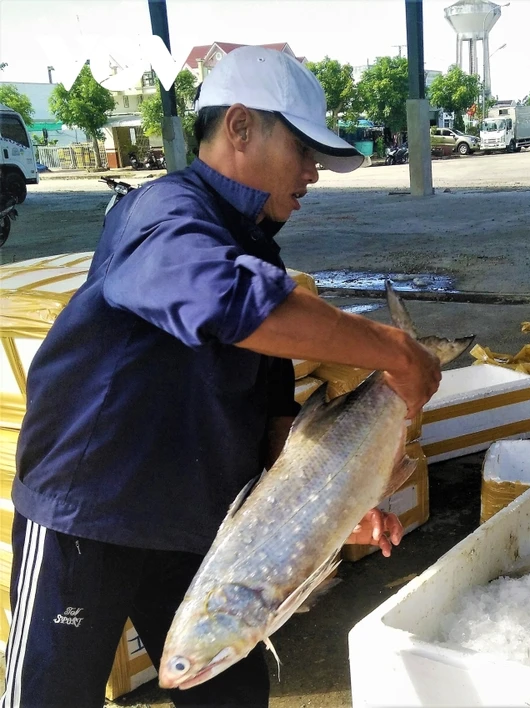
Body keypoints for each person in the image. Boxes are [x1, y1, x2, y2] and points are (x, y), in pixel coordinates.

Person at [2, 46, 441, 708]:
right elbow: (222, 302)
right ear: (240, 127)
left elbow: (273, 417)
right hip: (88, 516)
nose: (313, 174)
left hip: (197, 527)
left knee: (230, 695)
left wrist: (331, 507)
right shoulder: (160, 212)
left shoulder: (256, 249)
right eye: (304, 150)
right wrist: (394, 350)